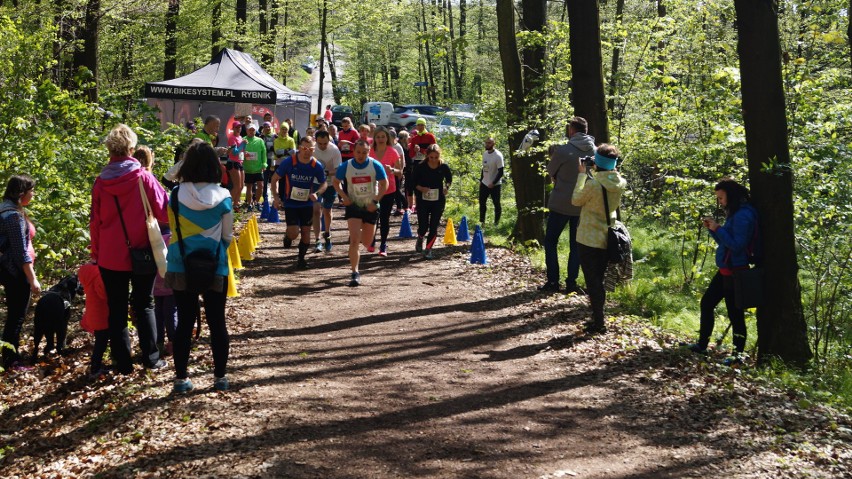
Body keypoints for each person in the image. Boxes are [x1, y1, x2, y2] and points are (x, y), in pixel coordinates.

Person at [90, 124, 169, 373]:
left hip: (110, 256)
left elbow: (95, 221)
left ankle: (122, 363)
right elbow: (164, 211)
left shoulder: (101, 182)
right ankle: (151, 358)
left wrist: (97, 253)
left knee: (116, 308)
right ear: (132, 149)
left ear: (110, 150)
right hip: (142, 251)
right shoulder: (143, 177)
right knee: (144, 303)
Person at [165, 142, 233, 393]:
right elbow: (227, 237)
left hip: (180, 265)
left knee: (184, 322)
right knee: (217, 322)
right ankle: (220, 378)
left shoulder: (174, 197)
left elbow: (173, 231)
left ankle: (181, 379)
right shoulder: (224, 197)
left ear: (186, 166)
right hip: (215, 266)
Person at [687, 179, 758, 362]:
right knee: (707, 303)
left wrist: (718, 228)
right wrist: (713, 230)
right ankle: (702, 345)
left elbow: (737, 245)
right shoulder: (735, 213)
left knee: (735, 315)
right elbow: (725, 243)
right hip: (726, 269)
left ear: (730, 195)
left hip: (737, 270)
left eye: (721, 198)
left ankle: (738, 356)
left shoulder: (743, 215)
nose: (720, 202)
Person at [571, 143, 627, 334]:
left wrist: (581, 175)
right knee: (599, 279)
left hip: (588, 238)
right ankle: (597, 317)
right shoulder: (619, 182)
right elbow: (610, 173)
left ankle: (599, 322)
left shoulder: (593, 184)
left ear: (598, 162)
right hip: (607, 237)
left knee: (592, 281)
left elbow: (576, 200)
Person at [541, 117, 596, 295]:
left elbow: (550, 172)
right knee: (576, 245)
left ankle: (553, 281)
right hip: (582, 205)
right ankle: (571, 283)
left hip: (561, 204)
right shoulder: (596, 152)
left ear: (572, 131)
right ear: (586, 130)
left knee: (550, 241)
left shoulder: (563, 151)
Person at [333, 140, 388, 286]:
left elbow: (385, 184)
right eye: (358, 152)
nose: (361, 155)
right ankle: (355, 272)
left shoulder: (375, 165)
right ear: (353, 151)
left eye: (364, 152)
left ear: (369, 152)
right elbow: (335, 182)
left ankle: (360, 240)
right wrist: (344, 197)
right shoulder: (346, 166)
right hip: (354, 206)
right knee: (355, 241)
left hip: (370, 206)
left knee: (366, 242)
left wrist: (375, 201)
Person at [0, 175, 41, 370]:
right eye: (31, 191)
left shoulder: (6, 208)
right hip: (14, 272)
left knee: (15, 314)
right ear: (22, 193)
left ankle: (11, 354)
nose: (33, 194)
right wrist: (32, 279)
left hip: (9, 270)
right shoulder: (12, 216)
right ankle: (11, 360)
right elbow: (19, 252)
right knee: (17, 315)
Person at [271, 136, 327, 269]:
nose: (307, 151)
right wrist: (276, 198)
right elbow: (274, 179)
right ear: (299, 148)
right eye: (304, 148)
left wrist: (317, 193)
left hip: (306, 203)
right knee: (294, 233)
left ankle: (301, 259)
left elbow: (324, 183)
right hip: (291, 203)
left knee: (306, 234)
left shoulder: (315, 165)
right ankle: (288, 236)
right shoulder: (289, 162)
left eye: (311, 149)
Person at [412, 144, 453, 260]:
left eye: (436, 157)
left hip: (438, 200)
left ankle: (428, 249)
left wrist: (446, 187)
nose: (434, 160)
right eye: (431, 157)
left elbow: (449, 179)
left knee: (434, 226)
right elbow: (413, 183)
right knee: (424, 226)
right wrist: (421, 188)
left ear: (439, 156)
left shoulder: (443, 167)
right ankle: (420, 237)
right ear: (427, 156)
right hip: (423, 200)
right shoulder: (421, 167)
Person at [370, 126, 403, 256]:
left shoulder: (392, 151)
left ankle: (383, 244)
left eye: (383, 137)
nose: (380, 139)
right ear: (375, 138)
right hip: (373, 189)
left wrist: (392, 170)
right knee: (373, 217)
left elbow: (400, 172)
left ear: (387, 138)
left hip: (389, 190)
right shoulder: (371, 151)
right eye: (378, 137)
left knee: (384, 218)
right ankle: (372, 240)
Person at [312, 130, 342, 253]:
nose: (323, 146)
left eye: (325, 143)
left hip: (330, 183)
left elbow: (338, 169)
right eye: (320, 143)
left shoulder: (334, 150)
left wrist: (326, 173)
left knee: (327, 211)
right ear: (316, 141)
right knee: (316, 210)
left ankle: (327, 234)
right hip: (315, 183)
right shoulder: (312, 149)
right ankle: (317, 240)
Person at [78, 261, 109, 377]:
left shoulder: (86, 270)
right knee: (101, 343)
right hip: (101, 313)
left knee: (100, 341)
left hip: (92, 311)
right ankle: (95, 368)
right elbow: (103, 293)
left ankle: (96, 366)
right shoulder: (98, 273)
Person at [407, 117, 437, 213]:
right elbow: (411, 154)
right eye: (418, 125)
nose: (420, 127)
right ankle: (417, 204)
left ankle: (429, 203)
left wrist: (422, 150)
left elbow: (435, 151)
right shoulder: (414, 138)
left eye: (422, 125)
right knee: (416, 183)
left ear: (425, 126)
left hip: (428, 163)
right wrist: (415, 151)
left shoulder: (430, 137)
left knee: (427, 182)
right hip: (417, 163)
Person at [479, 137, 504, 226]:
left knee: (496, 203)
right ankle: (482, 222)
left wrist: (493, 183)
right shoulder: (485, 154)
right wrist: (481, 180)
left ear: (493, 144)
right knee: (482, 203)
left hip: (495, 184)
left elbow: (501, 171)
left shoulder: (498, 156)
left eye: (489, 143)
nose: (487, 144)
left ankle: (496, 223)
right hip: (485, 183)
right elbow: (484, 168)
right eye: (486, 143)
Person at [242, 123, 267, 211]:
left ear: (255, 130)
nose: (252, 131)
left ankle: (256, 202)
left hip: (258, 168)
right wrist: (243, 156)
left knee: (261, 185)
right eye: (250, 130)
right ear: (247, 131)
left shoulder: (260, 140)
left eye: (253, 130)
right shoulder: (243, 140)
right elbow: (240, 152)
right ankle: (249, 204)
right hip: (247, 168)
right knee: (249, 186)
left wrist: (264, 164)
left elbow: (264, 153)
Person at [226, 121, 246, 209]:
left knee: (241, 186)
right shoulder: (232, 138)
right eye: (237, 127)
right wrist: (242, 144)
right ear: (233, 128)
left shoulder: (240, 137)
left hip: (240, 162)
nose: (239, 129)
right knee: (236, 186)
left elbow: (241, 151)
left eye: (240, 127)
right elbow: (234, 152)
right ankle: (227, 205)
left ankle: (235, 205)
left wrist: (246, 153)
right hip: (233, 163)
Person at [389, 128, 408, 215]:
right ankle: (399, 208)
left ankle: (405, 206)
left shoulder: (397, 147)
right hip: (390, 171)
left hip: (397, 171)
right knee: (395, 190)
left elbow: (402, 160)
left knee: (397, 190)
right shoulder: (389, 145)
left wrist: (401, 171)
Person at [260, 121, 277, 203]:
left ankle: (275, 198)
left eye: (268, 127)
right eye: (265, 127)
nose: (267, 128)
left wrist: (274, 148)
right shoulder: (262, 136)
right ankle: (265, 197)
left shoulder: (275, 136)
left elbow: (278, 146)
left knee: (274, 179)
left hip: (273, 160)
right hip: (265, 160)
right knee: (265, 179)